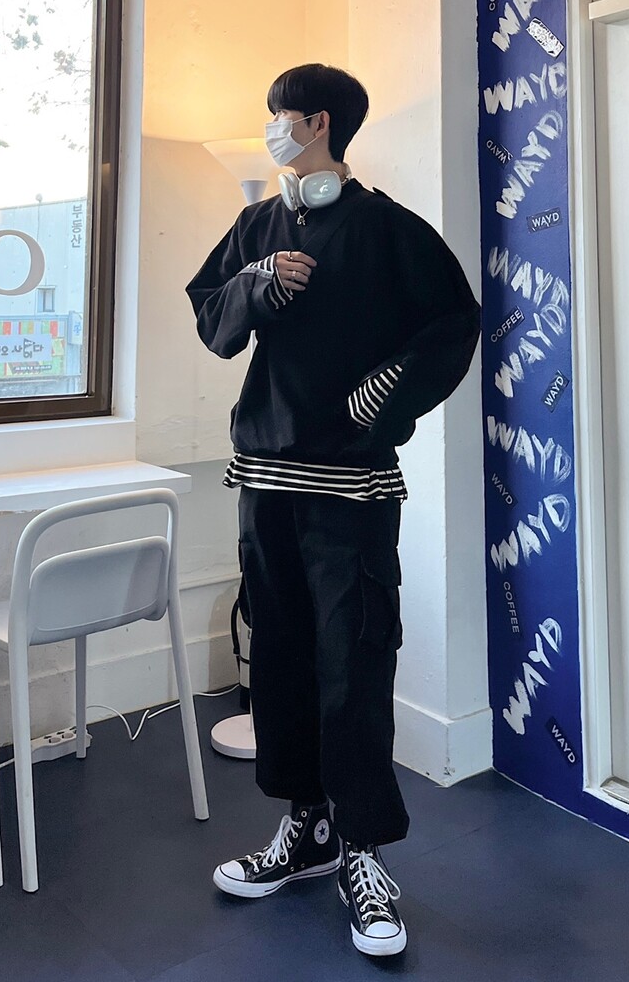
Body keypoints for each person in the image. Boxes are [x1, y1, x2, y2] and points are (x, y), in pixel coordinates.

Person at [186, 63, 479, 958]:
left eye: (278, 114)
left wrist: (383, 395)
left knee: (352, 661)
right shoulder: (257, 226)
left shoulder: (388, 229)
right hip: (264, 478)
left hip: (350, 488)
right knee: (277, 658)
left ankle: (363, 851)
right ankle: (306, 828)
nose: (270, 127)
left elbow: (455, 323)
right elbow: (210, 316)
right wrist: (256, 284)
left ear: (316, 123)